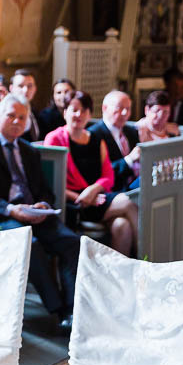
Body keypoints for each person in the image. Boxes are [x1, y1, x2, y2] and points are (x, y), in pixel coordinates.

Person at [0, 93, 79, 324]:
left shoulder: (29, 151)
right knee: (30, 244)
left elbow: (45, 191)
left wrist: (42, 205)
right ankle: (56, 309)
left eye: (22, 117)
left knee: (71, 241)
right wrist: (10, 210)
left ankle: (72, 310)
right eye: (11, 116)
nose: (17, 122)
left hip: (33, 214)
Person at [44, 91, 138, 255]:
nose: (79, 114)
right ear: (65, 112)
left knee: (122, 226)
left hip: (98, 197)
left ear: (89, 114)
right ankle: (147, 258)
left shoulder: (95, 139)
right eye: (74, 110)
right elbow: (51, 182)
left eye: (84, 110)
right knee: (127, 202)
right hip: (73, 203)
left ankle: (114, 278)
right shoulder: (54, 138)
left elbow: (108, 175)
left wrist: (92, 190)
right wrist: (81, 197)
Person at [92, 89, 142, 184]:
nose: (124, 113)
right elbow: (98, 173)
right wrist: (129, 159)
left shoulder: (131, 131)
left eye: (128, 109)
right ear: (105, 108)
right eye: (119, 108)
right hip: (112, 189)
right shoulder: (94, 134)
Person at [9, 68, 44, 137]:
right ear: (11, 88)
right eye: (20, 86)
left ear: (35, 89)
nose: (25, 90)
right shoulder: (6, 113)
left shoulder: (36, 114)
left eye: (30, 86)